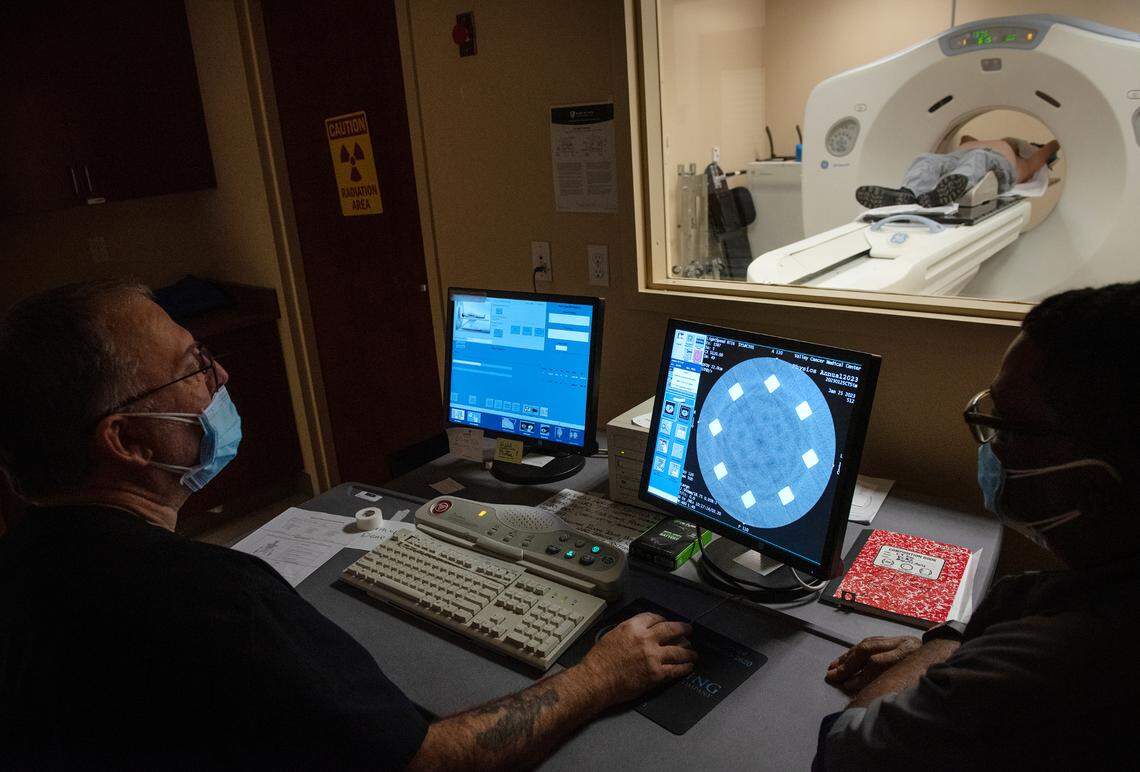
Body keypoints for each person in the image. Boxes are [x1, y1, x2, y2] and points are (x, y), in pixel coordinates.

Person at [0, 281, 697, 768]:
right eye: (195, 367)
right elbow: (425, 760)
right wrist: (598, 677)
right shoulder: (211, 600)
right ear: (128, 441)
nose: (224, 376)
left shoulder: (26, 572)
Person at [814, 281, 1140, 770]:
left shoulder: (1065, 662)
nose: (992, 445)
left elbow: (846, 750)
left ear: (1095, 479)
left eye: (1007, 425)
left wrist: (950, 647)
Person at [855, 136, 1060, 209]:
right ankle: (909, 193)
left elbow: (1043, 154)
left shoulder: (1022, 163)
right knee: (926, 159)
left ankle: (953, 187)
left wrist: (1054, 144)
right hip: (957, 158)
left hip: (997, 165)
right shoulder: (982, 143)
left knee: (978, 157)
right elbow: (965, 138)